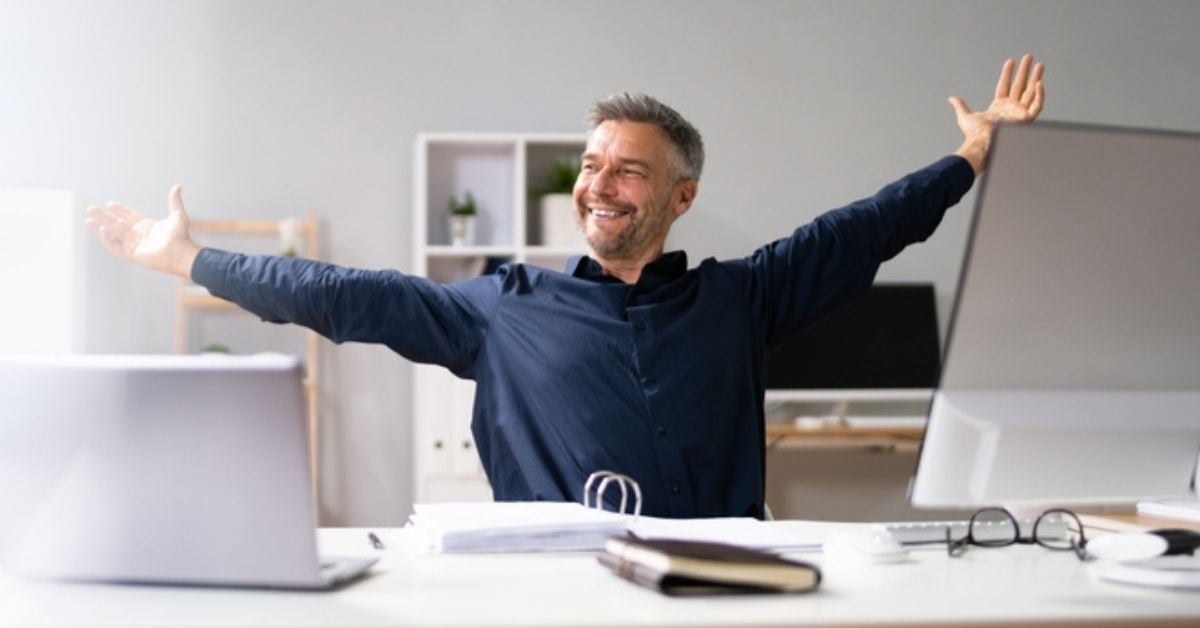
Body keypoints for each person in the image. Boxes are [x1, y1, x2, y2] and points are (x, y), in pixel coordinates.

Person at [87, 55, 1045, 519]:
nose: (598, 184)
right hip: (553, 601)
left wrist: (971, 151)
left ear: (682, 194)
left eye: (627, 169)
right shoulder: (502, 308)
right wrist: (188, 261)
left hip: (728, 595)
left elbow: (866, 229)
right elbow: (343, 293)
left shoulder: (742, 299)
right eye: (590, 165)